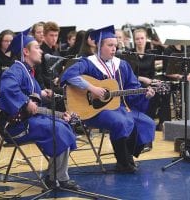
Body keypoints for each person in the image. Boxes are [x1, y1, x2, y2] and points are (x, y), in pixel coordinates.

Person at [61, 25, 156, 173]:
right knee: (121, 121)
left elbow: (132, 88)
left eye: (115, 45)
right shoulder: (87, 63)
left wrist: (145, 94)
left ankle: (127, 157)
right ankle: (123, 162)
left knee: (147, 123)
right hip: (95, 110)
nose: (114, 48)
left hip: (120, 107)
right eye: (110, 45)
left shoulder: (121, 65)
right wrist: (92, 88)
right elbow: (69, 76)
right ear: (99, 46)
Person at [0, 30, 80, 190]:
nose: (41, 50)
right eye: (37, 47)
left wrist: (44, 94)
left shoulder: (27, 71)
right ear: (25, 52)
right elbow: (7, 89)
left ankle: (55, 176)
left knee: (63, 124)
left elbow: (33, 92)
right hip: (14, 126)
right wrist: (25, 101)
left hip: (29, 120)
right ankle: (57, 178)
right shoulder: (15, 70)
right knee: (57, 129)